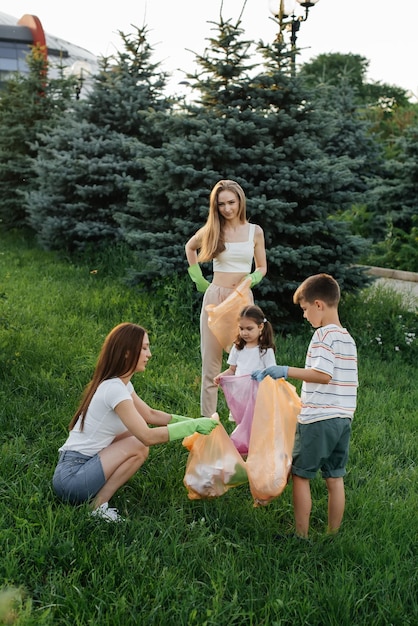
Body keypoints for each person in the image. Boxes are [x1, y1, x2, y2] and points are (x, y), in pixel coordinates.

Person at [52, 323, 218, 522]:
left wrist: (192, 421)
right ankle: (96, 506)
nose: (149, 354)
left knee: (133, 435)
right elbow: (147, 436)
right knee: (139, 444)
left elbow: (149, 413)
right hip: (73, 478)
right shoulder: (114, 389)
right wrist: (191, 427)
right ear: (128, 353)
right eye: (145, 348)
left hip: (74, 472)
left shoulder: (120, 384)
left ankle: (96, 502)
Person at [252, 274, 358, 538]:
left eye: (304, 309)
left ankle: (301, 536)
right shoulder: (347, 338)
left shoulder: (323, 335)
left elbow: (323, 374)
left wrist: (285, 370)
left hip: (318, 419)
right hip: (343, 420)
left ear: (319, 305)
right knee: (334, 478)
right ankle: (332, 534)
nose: (304, 316)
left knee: (301, 476)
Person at [185, 180, 267, 417]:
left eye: (231, 202)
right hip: (215, 299)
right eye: (221, 204)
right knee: (211, 367)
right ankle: (207, 426)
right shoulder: (213, 229)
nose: (227, 208)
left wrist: (250, 279)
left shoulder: (255, 231)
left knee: (245, 364)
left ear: (240, 201)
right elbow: (190, 247)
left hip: (242, 301)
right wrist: (198, 279)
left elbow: (262, 267)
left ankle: (244, 423)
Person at [214, 304, 276, 385]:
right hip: (240, 391)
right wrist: (221, 376)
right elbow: (232, 370)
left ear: (260, 327)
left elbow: (272, 372)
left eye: (249, 329)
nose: (244, 333)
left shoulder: (265, 350)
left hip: (259, 392)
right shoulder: (238, 347)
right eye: (241, 328)